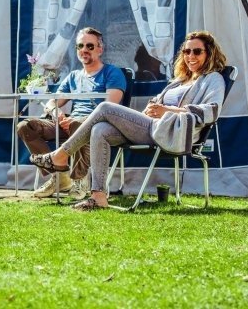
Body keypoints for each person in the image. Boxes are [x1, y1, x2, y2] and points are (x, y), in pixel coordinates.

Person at [30, 30, 227, 210]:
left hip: (171, 132)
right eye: (186, 51)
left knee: (105, 108)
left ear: (209, 53)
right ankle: (98, 197)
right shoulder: (180, 80)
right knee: (99, 129)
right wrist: (152, 107)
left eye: (197, 51)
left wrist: (167, 110)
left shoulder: (213, 79)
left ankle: (60, 156)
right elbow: (158, 102)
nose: (190, 56)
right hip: (152, 126)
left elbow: (212, 111)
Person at [17, 27, 126, 199]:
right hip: (70, 122)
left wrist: (77, 120)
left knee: (77, 124)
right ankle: (60, 176)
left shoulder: (112, 73)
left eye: (90, 46)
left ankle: (79, 179)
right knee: (25, 126)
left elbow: (109, 109)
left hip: (98, 126)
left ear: (100, 49)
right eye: (80, 46)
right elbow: (52, 102)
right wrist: (58, 115)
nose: (84, 50)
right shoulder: (74, 76)